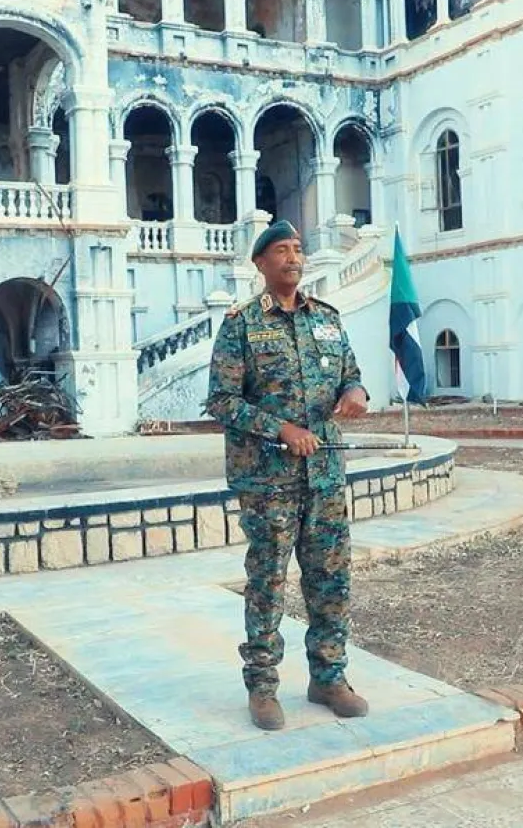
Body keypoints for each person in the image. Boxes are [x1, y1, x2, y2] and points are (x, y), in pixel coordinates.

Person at [204, 219, 370, 731]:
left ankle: (328, 677)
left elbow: (351, 375)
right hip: (268, 480)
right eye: (281, 250)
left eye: (298, 249)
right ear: (260, 263)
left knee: (331, 580)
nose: (294, 258)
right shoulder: (242, 324)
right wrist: (281, 427)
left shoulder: (327, 319)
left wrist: (356, 394)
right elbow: (222, 401)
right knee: (269, 583)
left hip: (324, 476)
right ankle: (262, 686)